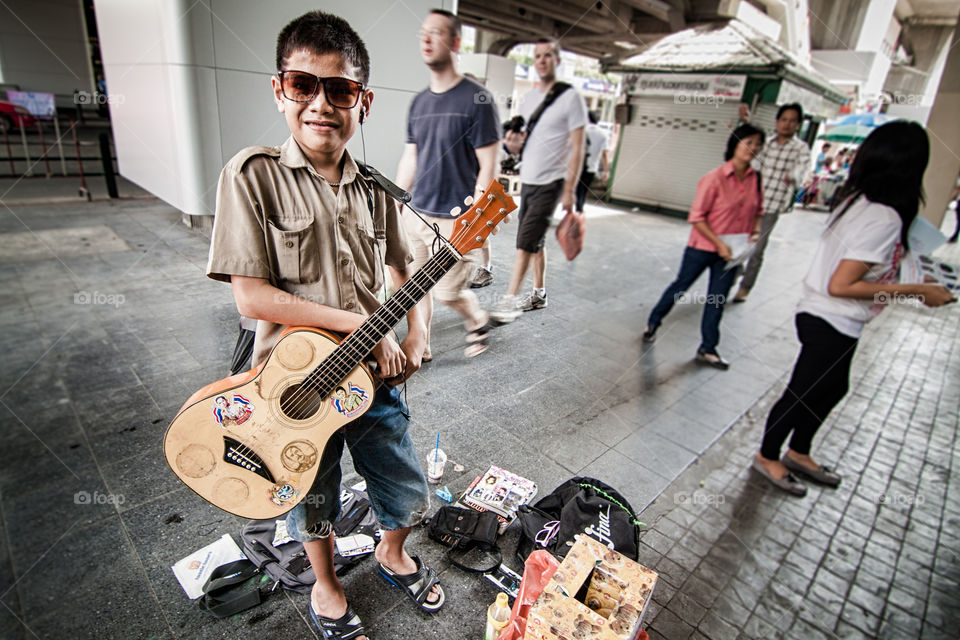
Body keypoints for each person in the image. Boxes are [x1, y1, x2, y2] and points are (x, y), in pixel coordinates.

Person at [205, 12, 441, 638]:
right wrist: (364, 321)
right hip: (295, 386)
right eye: (303, 85)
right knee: (312, 493)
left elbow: (408, 265)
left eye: (339, 90)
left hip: (376, 377)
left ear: (362, 102)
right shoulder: (252, 175)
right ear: (279, 89)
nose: (321, 104)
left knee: (404, 479)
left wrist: (415, 329)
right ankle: (328, 587)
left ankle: (391, 554)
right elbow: (251, 297)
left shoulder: (377, 190)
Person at [752, 121, 955, 496]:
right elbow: (842, 284)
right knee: (804, 392)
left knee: (831, 389)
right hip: (830, 316)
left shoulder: (857, 200)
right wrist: (916, 291)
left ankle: (798, 450)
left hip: (828, 314)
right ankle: (768, 455)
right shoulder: (883, 216)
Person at [395, 9, 501, 359]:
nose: (426, 39)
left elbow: (489, 163)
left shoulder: (477, 99)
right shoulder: (419, 102)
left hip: (456, 219)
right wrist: (396, 200)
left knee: (447, 293)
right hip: (417, 214)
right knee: (415, 289)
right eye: (423, 33)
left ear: (455, 42)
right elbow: (411, 156)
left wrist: (477, 217)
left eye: (436, 33)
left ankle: (477, 318)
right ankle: (422, 342)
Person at [642, 124, 766, 369]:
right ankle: (653, 322)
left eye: (758, 144)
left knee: (717, 299)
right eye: (748, 142)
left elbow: (758, 211)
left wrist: (755, 231)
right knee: (681, 286)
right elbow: (697, 217)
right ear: (735, 144)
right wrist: (719, 243)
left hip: (733, 251)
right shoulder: (714, 178)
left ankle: (708, 348)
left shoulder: (755, 179)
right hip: (703, 247)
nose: (753, 148)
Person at [489, 39, 587, 323]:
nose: (542, 61)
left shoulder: (571, 98)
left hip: (553, 182)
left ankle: (509, 300)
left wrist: (569, 188)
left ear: (557, 61)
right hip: (529, 180)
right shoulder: (531, 99)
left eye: (548, 56)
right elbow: (530, 143)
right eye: (537, 56)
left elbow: (578, 146)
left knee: (525, 241)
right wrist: (515, 146)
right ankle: (539, 294)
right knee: (535, 240)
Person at [732, 103, 810, 302]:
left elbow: (802, 170)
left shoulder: (800, 148)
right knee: (737, 242)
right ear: (777, 121)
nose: (787, 124)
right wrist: (746, 121)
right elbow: (750, 145)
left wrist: (793, 177)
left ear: (798, 124)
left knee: (757, 250)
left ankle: (745, 288)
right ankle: (736, 272)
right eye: (784, 119)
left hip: (772, 206)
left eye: (792, 121)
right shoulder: (766, 141)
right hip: (749, 202)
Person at [575, 110, 610, 213]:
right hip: (592, 167)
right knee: (583, 190)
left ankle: (578, 208)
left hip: (577, 165)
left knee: (576, 189)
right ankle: (579, 208)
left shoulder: (581, 130)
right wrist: (606, 171)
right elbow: (604, 154)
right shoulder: (603, 134)